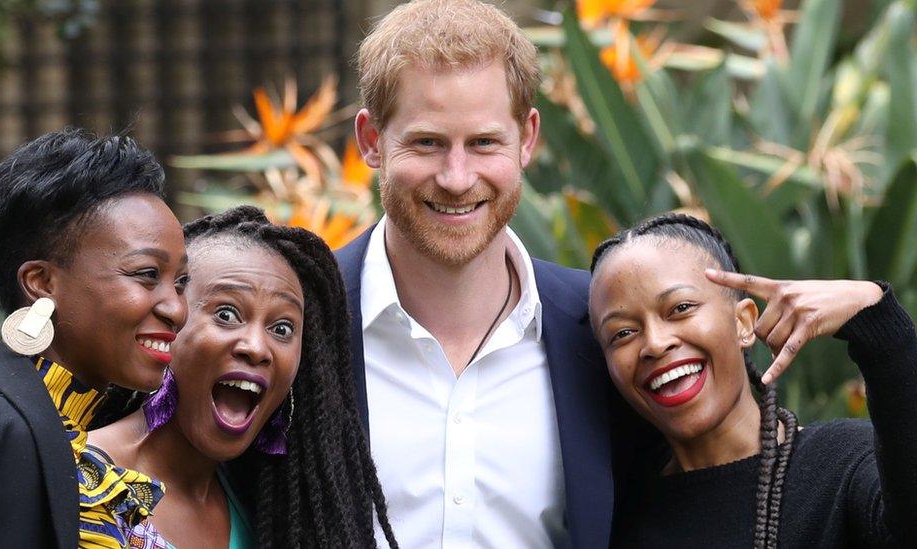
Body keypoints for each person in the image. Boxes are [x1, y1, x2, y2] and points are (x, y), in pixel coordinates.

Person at [338, 0, 642, 546]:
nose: (457, 178)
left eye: (483, 143)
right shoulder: (300, 317)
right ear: (371, 141)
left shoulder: (599, 325)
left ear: (527, 138)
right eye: (427, 142)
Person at [588, 213, 917, 548]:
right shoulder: (614, 520)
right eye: (623, 333)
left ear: (744, 322)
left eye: (681, 308)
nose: (655, 343)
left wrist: (881, 324)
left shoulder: (840, 463)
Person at [89, 205, 398, 548]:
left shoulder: (263, 510)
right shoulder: (76, 478)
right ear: (170, 321)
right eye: (226, 314)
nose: (256, 347)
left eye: (282, 328)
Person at [0, 128, 189, 548]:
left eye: (181, 282)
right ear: (41, 282)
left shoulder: (122, 431)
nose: (177, 309)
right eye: (147, 274)